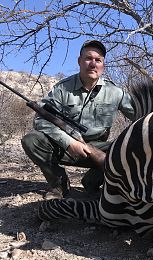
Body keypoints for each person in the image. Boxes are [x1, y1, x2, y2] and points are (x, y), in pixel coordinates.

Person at [21, 40, 136, 200]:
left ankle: (92, 182)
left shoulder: (116, 92)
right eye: (88, 58)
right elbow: (41, 119)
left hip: (97, 148)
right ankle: (59, 185)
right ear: (79, 61)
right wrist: (69, 142)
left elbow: (142, 116)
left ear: (103, 65)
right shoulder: (62, 88)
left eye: (98, 60)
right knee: (32, 140)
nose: (93, 64)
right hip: (65, 145)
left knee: (130, 152)